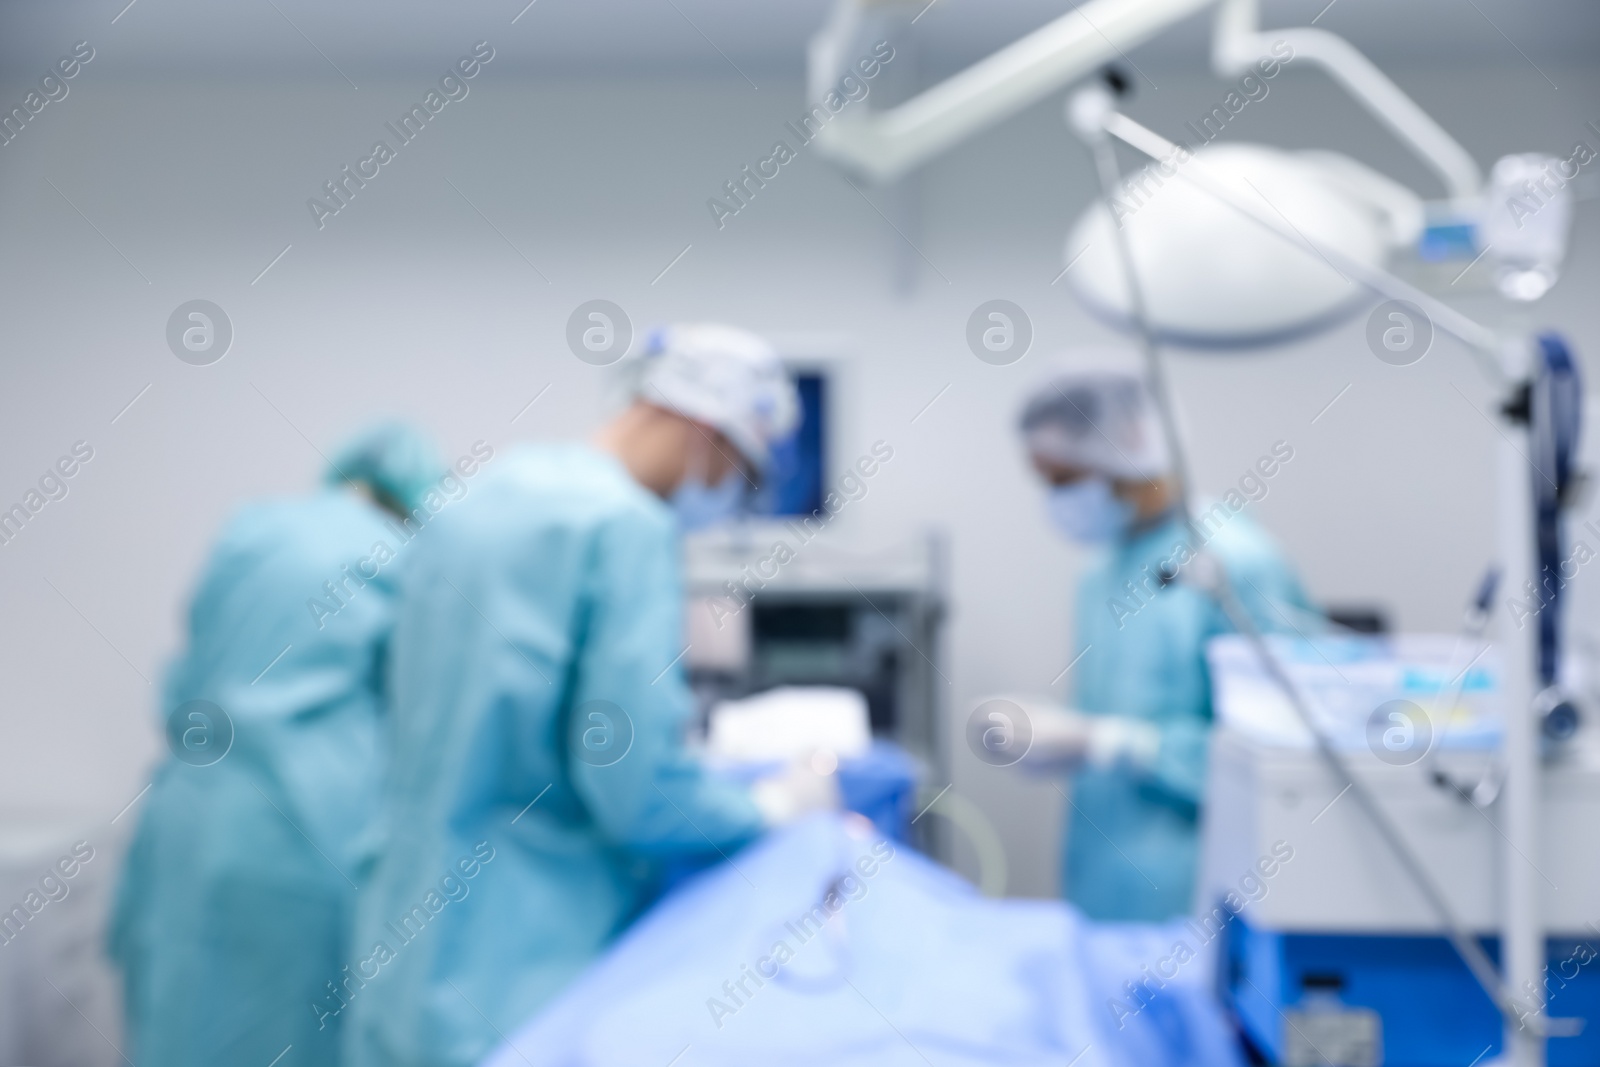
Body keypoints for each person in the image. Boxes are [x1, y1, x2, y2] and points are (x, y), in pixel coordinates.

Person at [343, 323, 835, 1067]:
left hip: (404, 946)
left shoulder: (478, 495)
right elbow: (635, 790)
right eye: (740, 468)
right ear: (704, 430)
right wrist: (772, 805)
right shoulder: (623, 528)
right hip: (519, 963)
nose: (732, 494)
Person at [109, 421, 448, 1067]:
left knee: (182, 1019)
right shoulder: (400, 557)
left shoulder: (250, 530)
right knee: (289, 1029)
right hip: (304, 831)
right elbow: (419, 715)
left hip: (183, 819)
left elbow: (184, 677)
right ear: (413, 502)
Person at [1015, 371, 1313, 921]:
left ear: (1130, 449)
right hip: (1103, 887)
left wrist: (1120, 745)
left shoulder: (1236, 563)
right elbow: (1111, 716)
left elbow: (1290, 761)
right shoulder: (1102, 567)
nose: (1057, 500)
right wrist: (1067, 741)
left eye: (1066, 478)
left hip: (1201, 897)